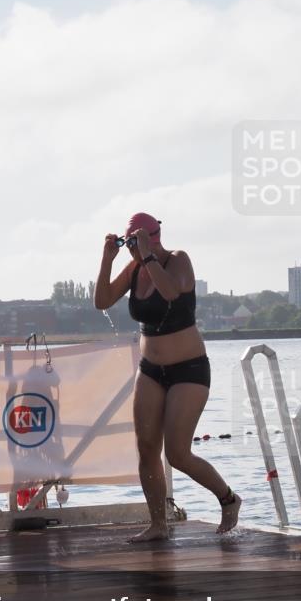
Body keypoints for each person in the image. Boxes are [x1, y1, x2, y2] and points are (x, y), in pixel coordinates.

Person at [94, 212, 241, 541]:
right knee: (147, 449)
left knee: (177, 453)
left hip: (188, 369)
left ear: (151, 239)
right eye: (128, 243)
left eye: (135, 243)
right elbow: (102, 301)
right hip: (150, 370)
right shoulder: (133, 268)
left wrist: (147, 256)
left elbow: (171, 291)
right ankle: (158, 524)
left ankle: (228, 498)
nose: (131, 250)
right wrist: (107, 260)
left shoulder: (178, 261)